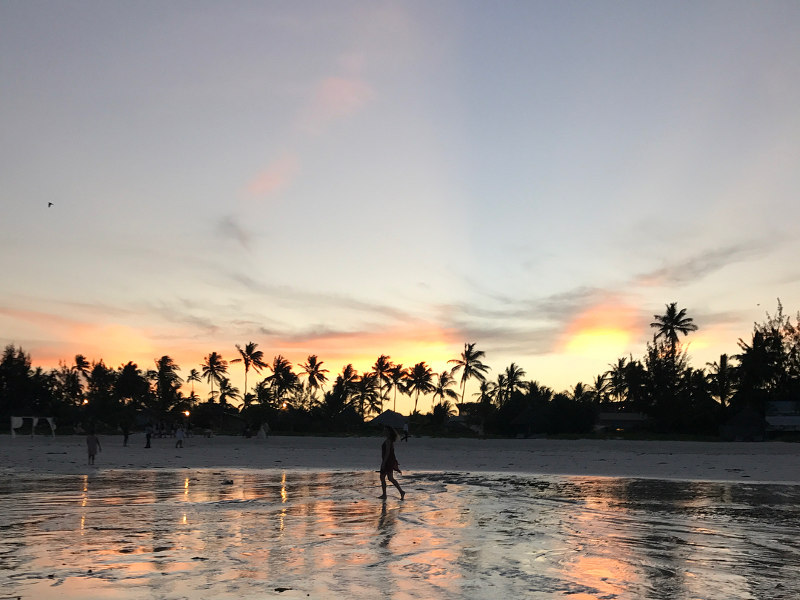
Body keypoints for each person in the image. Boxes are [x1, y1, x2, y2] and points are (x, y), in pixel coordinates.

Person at [379, 426, 405, 500]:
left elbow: (387, 453)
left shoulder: (388, 441)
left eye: (385, 430)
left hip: (388, 461)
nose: (384, 432)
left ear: (388, 432)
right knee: (389, 478)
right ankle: (401, 492)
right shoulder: (389, 440)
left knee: (383, 477)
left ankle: (385, 495)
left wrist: (383, 463)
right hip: (390, 461)